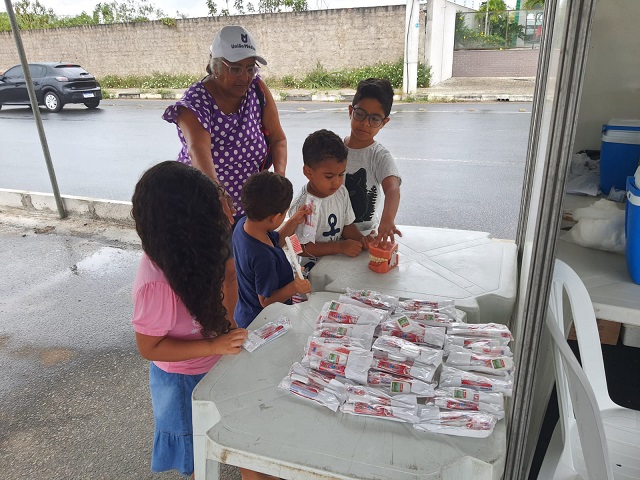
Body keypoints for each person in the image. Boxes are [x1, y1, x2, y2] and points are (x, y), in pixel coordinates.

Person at [162, 25, 287, 328]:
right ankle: (219, 331)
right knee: (220, 273)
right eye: (235, 69)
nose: (244, 76)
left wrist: (278, 182)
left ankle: (242, 325)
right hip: (206, 205)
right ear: (215, 64)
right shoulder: (194, 102)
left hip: (253, 206)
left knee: (247, 273)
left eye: (250, 67)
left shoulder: (257, 89)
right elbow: (198, 150)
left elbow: (278, 140)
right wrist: (218, 195)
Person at [130, 161, 249, 478]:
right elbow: (150, 347)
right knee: (196, 456)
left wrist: (228, 323)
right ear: (186, 226)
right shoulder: (157, 284)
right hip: (182, 383)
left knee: (221, 436)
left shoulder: (201, 248)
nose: (228, 217)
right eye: (216, 212)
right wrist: (213, 345)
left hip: (211, 363)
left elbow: (226, 292)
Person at [233, 171, 312, 328]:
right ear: (274, 218)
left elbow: (276, 240)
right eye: (284, 214)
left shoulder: (245, 225)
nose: (285, 217)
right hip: (263, 322)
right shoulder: (263, 257)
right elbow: (266, 301)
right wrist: (295, 287)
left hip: (245, 311)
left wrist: (294, 221)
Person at [288, 129, 372, 267]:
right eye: (329, 176)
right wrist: (340, 247)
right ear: (308, 172)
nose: (337, 182)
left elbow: (347, 226)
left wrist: (362, 240)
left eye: (341, 174)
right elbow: (300, 248)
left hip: (337, 264)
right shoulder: (304, 206)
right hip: (310, 273)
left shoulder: (341, 192)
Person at [344, 77, 402, 245]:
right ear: (350, 111)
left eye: (374, 119)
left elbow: (392, 189)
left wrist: (387, 220)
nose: (365, 124)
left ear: (384, 123)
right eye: (360, 114)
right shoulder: (336, 149)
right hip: (332, 232)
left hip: (366, 235)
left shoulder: (379, 156)